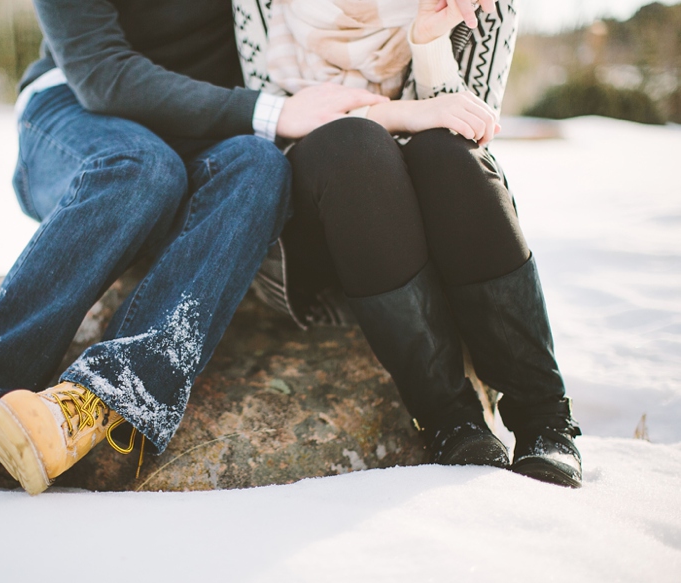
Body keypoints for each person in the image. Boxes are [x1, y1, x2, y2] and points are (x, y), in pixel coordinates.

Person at [0, 0, 389, 495]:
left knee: (259, 167)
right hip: (77, 106)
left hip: (208, 119)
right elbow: (103, 75)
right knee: (142, 167)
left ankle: (95, 401)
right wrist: (273, 110)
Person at [243, 0, 583, 487]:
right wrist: (404, 113)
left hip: (431, 212)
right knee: (355, 147)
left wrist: (428, 44)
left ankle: (545, 418)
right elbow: (273, 118)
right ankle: (449, 418)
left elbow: (471, 124)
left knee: (451, 155)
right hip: (324, 211)